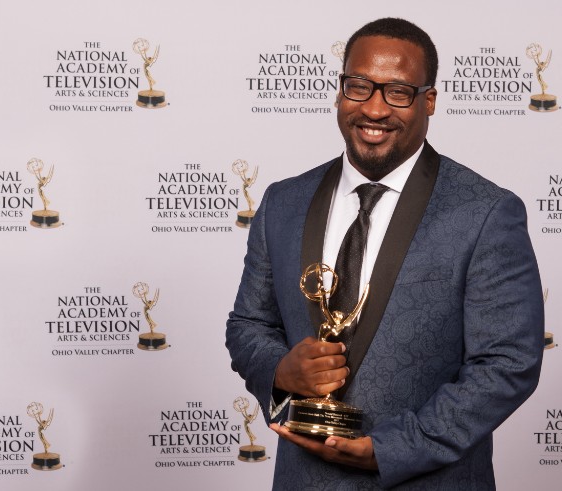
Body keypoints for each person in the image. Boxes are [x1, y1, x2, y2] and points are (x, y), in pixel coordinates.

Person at [226, 17, 543, 489]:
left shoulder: (485, 212)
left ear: (428, 100)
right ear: (340, 91)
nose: (374, 109)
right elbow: (249, 324)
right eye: (360, 86)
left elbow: (507, 362)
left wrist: (393, 449)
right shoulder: (283, 202)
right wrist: (280, 369)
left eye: (397, 92)